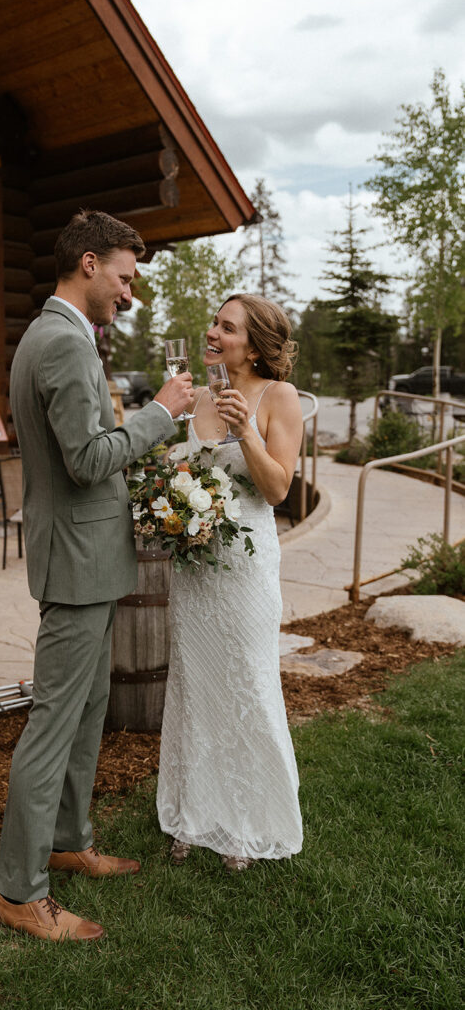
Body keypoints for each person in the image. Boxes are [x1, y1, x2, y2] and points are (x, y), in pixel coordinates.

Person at [0, 210, 194, 941]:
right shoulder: (62, 344)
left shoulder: (59, 336)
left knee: (83, 715)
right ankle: (19, 891)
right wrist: (160, 414)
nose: (129, 292)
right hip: (75, 565)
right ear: (87, 263)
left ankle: (70, 841)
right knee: (53, 726)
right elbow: (86, 461)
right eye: (124, 275)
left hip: (86, 560)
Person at [156, 293, 304, 872]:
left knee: (246, 685)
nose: (213, 332)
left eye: (227, 326)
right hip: (194, 569)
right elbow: (191, 472)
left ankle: (247, 821)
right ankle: (194, 814)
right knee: (195, 688)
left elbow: (277, 490)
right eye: (214, 322)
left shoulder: (278, 397)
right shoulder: (199, 399)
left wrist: (247, 431)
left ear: (256, 343)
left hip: (245, 572)